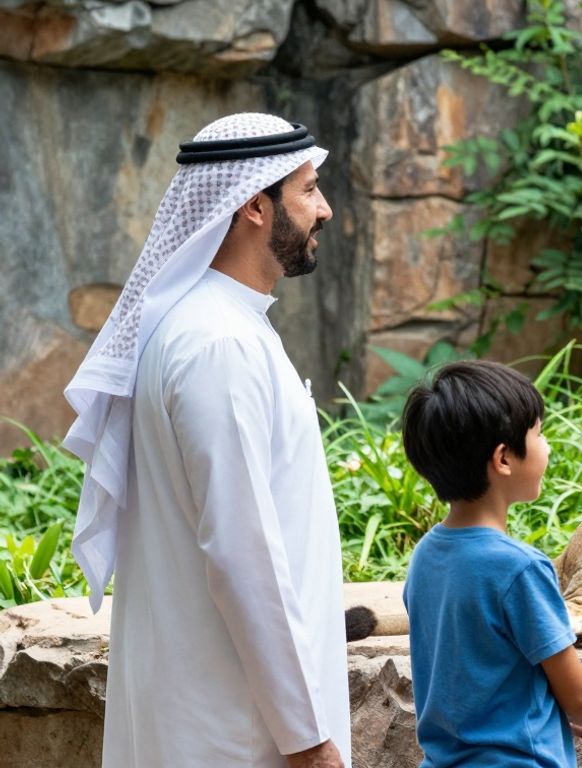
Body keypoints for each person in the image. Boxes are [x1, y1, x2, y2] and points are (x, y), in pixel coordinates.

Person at [62, 113, 349, 768]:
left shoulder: (221, 327)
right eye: (308, 189)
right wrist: (304, 735)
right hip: (237, 733)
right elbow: (241, 550)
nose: (324, 209)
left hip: (225, 717)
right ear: (254, 204)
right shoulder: (216, 343)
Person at [401, 361, 582, 767]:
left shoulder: (425, 557)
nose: (547, 446)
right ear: (504, 458)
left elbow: (476, 681)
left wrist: (558, 719)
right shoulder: (520, 569)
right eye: (540, 434)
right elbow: (578, 695)